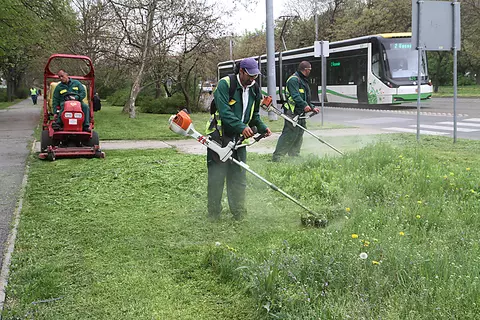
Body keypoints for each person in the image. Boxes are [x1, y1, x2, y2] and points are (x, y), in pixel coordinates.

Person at [207, 57, 272, 221]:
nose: (252, 79)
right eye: (250, 75)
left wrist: (263, 127)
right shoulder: (225, 85)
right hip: (220, 137)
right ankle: (214, 213)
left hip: (240, 139)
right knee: (217, 177)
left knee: (238, 177)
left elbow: (254, 114)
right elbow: (225, 113)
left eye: (255, 76)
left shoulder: (254, 89)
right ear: (241, 71)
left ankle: (239, 212)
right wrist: (242, 127)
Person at [272, 61, 320, 162]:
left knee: (299, 133)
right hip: (292, 111)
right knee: (289, 133)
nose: (310, 72)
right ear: (306, 70)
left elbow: (305, 97)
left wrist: (311, 107)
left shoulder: (303, 80)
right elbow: (295, 96)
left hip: (300, 112)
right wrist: (304, 105)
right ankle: (278, 156)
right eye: (309, 70)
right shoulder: (293, 80)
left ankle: (294, 154)